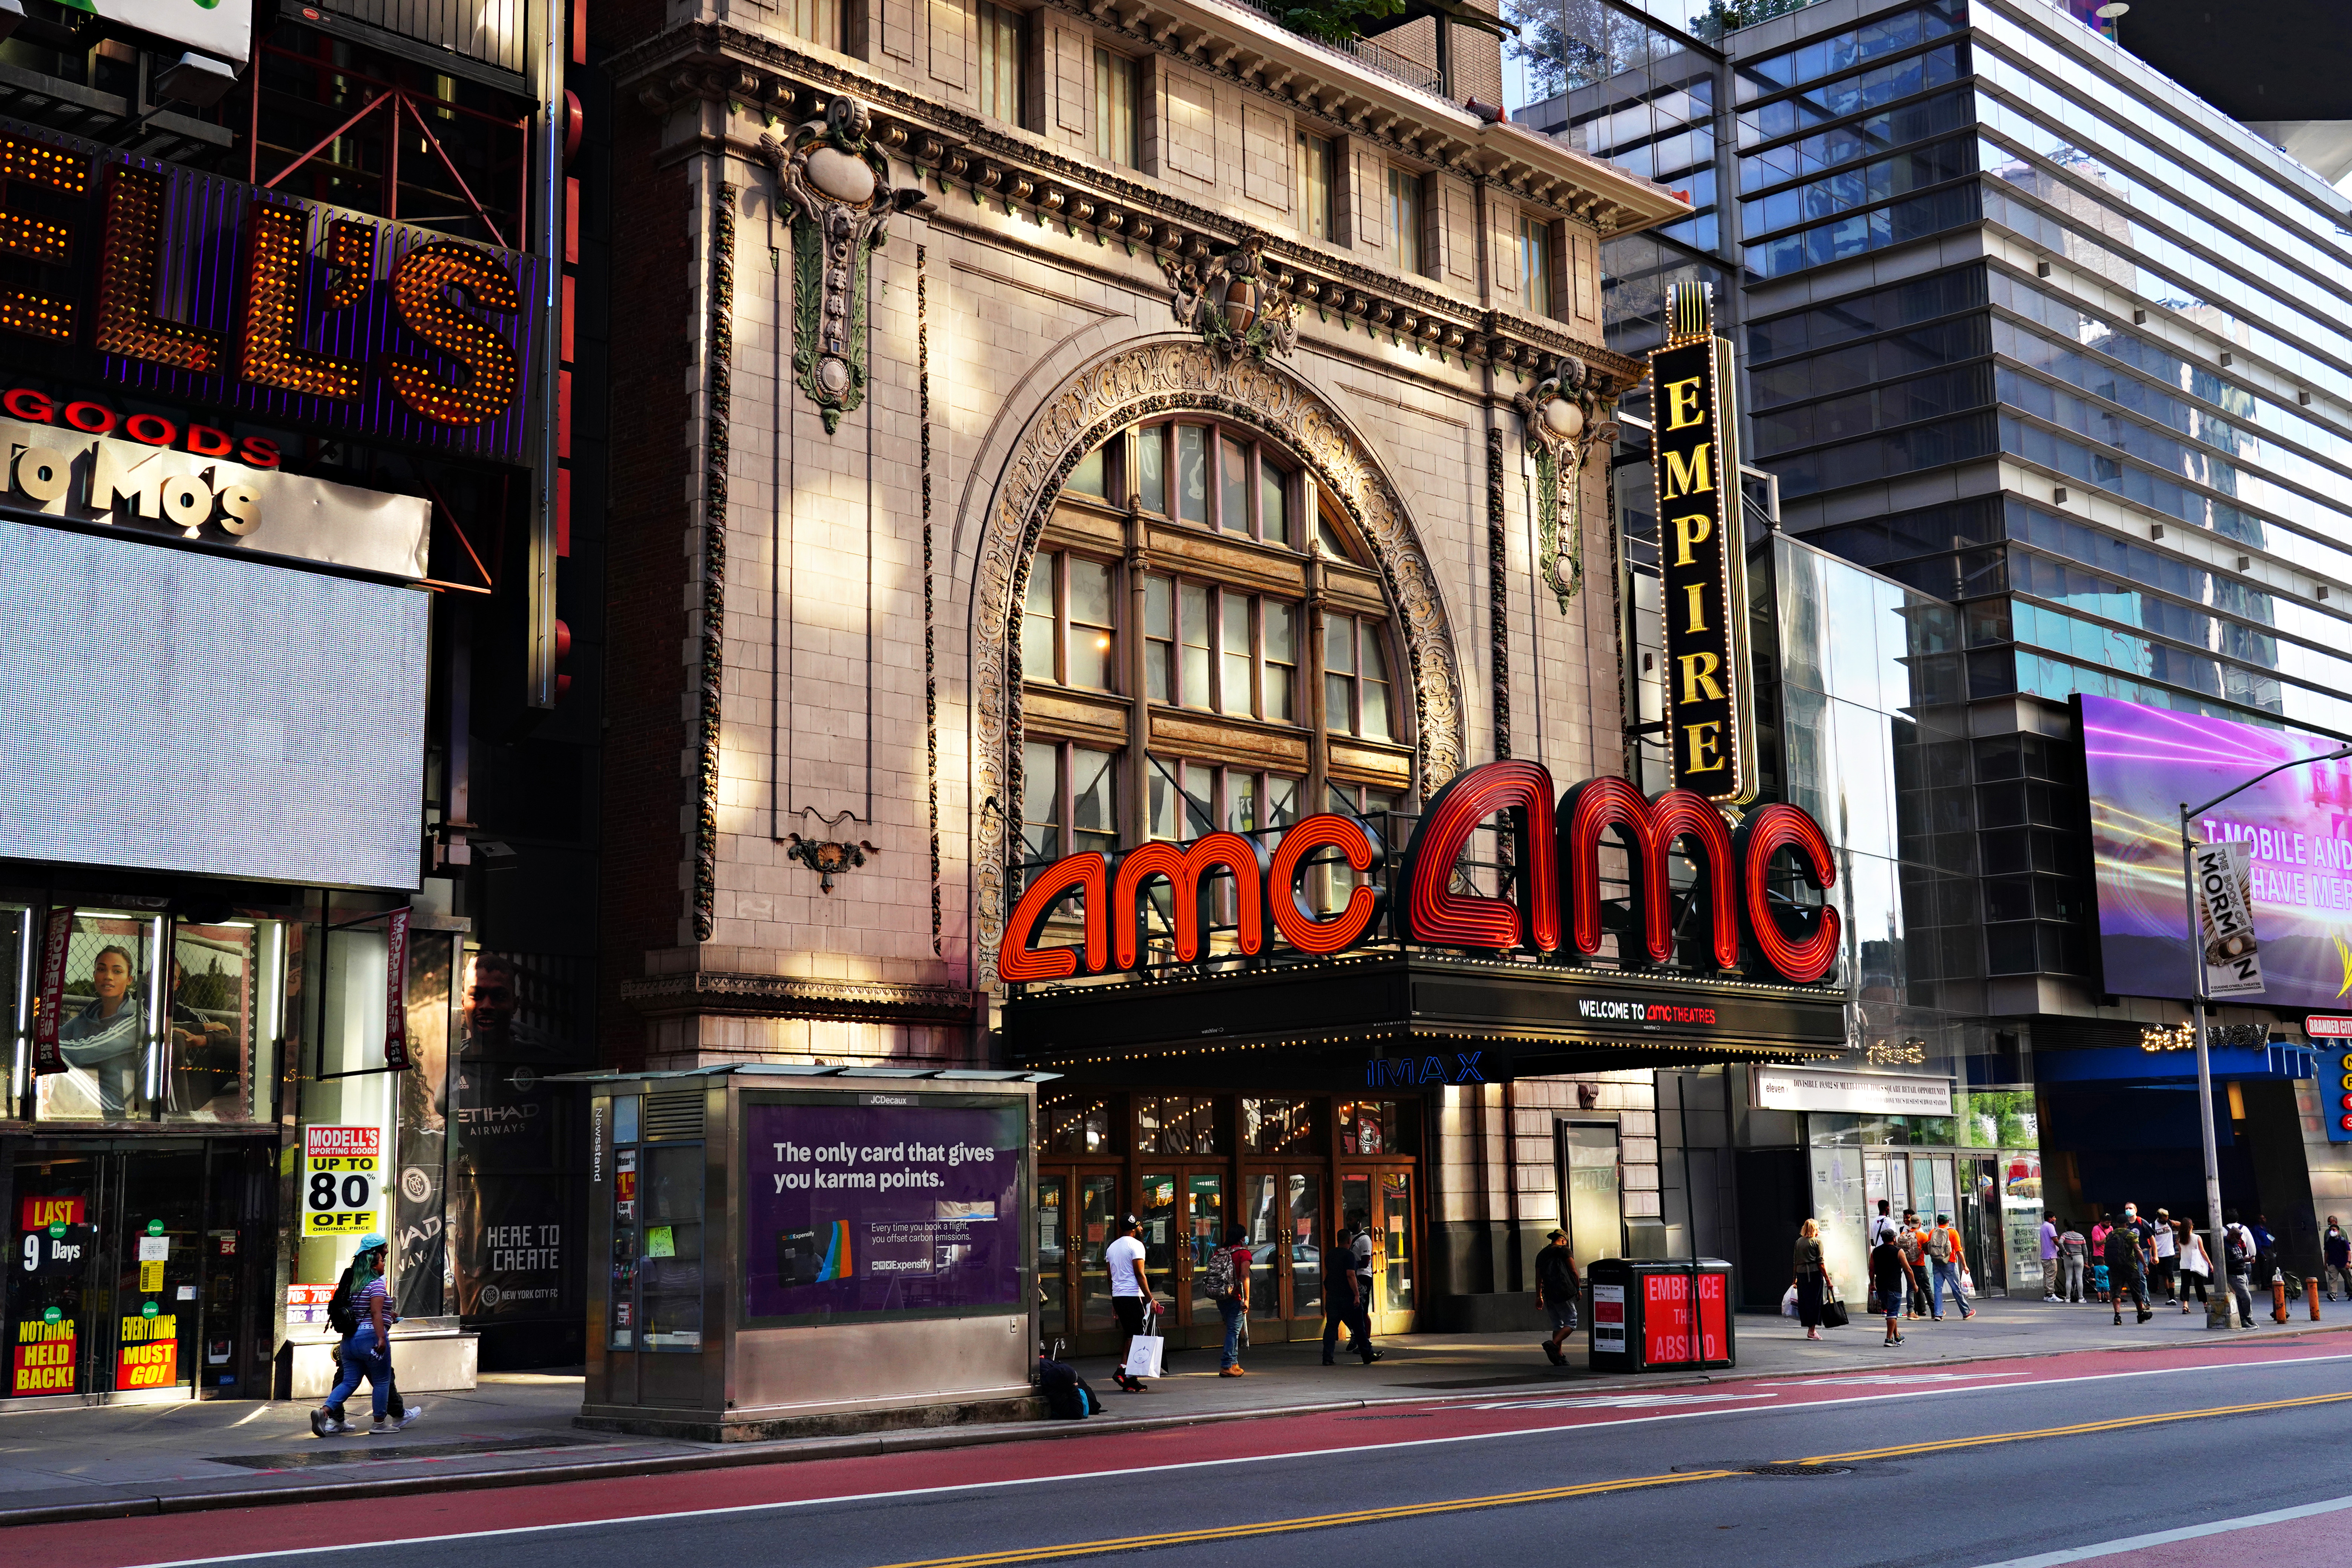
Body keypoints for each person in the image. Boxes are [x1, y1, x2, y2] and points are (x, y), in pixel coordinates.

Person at [311, 1234, 418, 1435]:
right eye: (382, 1260)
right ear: (373, 1262)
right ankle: (379, 1424)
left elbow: (366, 1310)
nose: (385, 1262)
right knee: (382, 1381)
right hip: (370, 1339)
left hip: (350, 1341)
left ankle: (324, 1413)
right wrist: (381, 1338)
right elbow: (376, 1313)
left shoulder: (354, 1286)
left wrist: (389, 1314)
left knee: (349, 1381)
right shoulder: (376, 1285)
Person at [57, 945, 144, 1117]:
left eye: (117, 972)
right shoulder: (88, 1015)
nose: (108, 977)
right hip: (83, 1099)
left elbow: (81, 1053)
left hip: (115, 1108)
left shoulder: (135, 1020)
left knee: (54, 1060)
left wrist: (41, 1045)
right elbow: (57, 1037)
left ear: (129, 980)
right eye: (101, 969)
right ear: (95, 975)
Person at [1104, 1214, 1156, 1392]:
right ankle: (1127, 1374)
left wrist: (1114, 1300)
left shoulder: (1112, 1248)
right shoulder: (1137, 1246)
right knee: (1138, 1336)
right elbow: (1140, 1275)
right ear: (1135, 1228)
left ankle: (1125, 1373)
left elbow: (1110, 1278)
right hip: (1134, 1296)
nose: (1142, 1229)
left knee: (1130, 1335)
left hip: (1119, 1296)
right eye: (1140, 1226)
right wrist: (1151, 1299)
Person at [1322, 1223, 1379, 1365]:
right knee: (1359, 1327)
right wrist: (1357, 1295)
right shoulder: (1349, 1256)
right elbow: (1351, 1275)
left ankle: (1327, 1358)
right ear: (1349, 1241)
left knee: (1331, 1327)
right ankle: (1367, 1355)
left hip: (1333, 1296)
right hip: (1347, 1296)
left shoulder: (1330, 1255)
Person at [1535, 1229, 1580, 1366]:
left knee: (1558, 1325)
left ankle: (1559, 1356)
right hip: (1563, 1292)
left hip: (1549, 1294)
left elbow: (1538, 1277)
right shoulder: (1564, 1251)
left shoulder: (1542, 1254)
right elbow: (1574, 1271)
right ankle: (1553, 1344)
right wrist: (1579, 1289)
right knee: (1571, 1322)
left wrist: (1539, 1296)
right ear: (1564, 1240)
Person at [1212, 1223, 1251, 1377]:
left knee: (1231, 1329)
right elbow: (1245, 1276)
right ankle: (1227, 1365)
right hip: (1236, 1297)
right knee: (1233, 1331)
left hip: (1221, 1296)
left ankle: (1234, 1363)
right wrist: (1247, 1299)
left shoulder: (1220, 1252)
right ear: (1242, 1238)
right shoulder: (1244, 1254)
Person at [1924, 1212, 1974, 1321]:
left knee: (1938, 1289)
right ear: (1948, 1222)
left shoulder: (1933, 1232)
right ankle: (1966, 1312)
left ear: (1938, 1222)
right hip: (1950, 1263)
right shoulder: (1952, 1232)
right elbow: (1959, 1251)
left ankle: (1938, 1314)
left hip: (1936, 1263)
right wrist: (1965, 1266)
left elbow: (1928, 1250)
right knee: (1956, 1288)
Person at [2104, 1212, 2151, 1324]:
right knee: (2136, 1291)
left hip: (2115, 1267)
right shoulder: (2131, 1235)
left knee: (2116, 1292)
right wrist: (2145, 1265)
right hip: (2130, 1266)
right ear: (2126, 1223)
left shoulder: (2110, 1235)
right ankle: (2140, 1315)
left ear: (2117, 1224)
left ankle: (2117, 1316)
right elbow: (2138, 1250)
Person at [1871, 1227, 1911, 1346]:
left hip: (1881, 1287)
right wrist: (1914, 1284)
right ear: (1894, 1238)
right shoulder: (1899, 1251)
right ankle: (1889, 1339)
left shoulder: (1875, 1252)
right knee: (1893, 1313)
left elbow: (1871, 1269)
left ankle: (1897, 1336)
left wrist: (1872, 1284)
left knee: (1891, 1312)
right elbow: (1908, 1269)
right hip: (1894, 1287)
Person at [1792, 1218, 1830, 1341]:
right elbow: (1821, 1263)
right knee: (1816, 1302)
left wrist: (1794, 1279)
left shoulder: (1799, 1242)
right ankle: (1812, 1330)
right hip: (1814, 1274)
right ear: (1815, 1230)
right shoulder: (1817, 1242)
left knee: (1805, 1302)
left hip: (1802, 1274)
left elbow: (1795, 1262)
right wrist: (1828, 1280)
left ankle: (1810, 1328)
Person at [2222, 1208, 2257, 1328]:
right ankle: (2246, 1318)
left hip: (2243, 1268)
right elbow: (2251, 1245)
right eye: (2237, 1238)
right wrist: (2252, 1256)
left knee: (2241, 1295)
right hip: (2238, 1269)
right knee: (2245, 1296)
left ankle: (2245, 1319)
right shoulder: (2244, 1229)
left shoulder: (2223, 1230)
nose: (2239, 1240)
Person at [2176, 1219, 2213, 1315]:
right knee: (2199, 1285)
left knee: (2185, 1285)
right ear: (2191, 1227)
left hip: (2184, 1264)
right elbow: (2203, 1252)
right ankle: (2205, 1305)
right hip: (2196, 1265)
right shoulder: (2197, 1238)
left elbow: (2181, 1252)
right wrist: (2209, 1263)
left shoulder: (2180, 1238)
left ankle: (2185, 1305)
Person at [2148, 1208, 2178, 1306]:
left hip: (2169, 1253)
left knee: (2170, 1273)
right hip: (2159, 1254)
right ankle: (2170, 1296)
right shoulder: (2152, 1226)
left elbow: (2182, 1225)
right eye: (2163, 1220)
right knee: (2164, 1275)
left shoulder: (2170, 1223)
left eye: (2167, 1219)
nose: (2165, 1222)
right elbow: (2150, 1241)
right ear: (2159, 1218)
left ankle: (2173, 1297)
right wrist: (2151, 1255)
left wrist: (2179, 1238)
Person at [2056, 1220, 2088, 1304]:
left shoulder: (2065, 1235)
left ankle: (2068, 1298)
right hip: (2079, 1258)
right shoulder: (2081, 1236)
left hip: (2068, 1257)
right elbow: (2085, 1250)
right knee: (2079, 1278)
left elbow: (2060, 1242)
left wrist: (2065, 1251)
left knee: (2069, 1278)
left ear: (2067, 1228)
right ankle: (2081, 1298)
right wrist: (2086, 1261)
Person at [2324, 1217, 2350, 1302]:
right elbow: (2326, 1252)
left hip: (2343, 1262)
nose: (2332, 1231)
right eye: (2331, 1229)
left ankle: (2351, 1292)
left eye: (2334, 1230)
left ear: (2338, 1231)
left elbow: (2348, 1252)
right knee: (2332, 1278)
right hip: (2332, 1262)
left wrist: (2349, 1262)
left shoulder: (2343, 1240)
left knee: (2348, 1279)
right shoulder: (2329, 1240)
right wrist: (2325, 1263)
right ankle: (2333, 1294)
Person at [2040, 1212, 2061, 1301]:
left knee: (2047, 1275)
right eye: (2054, 1217)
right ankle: (2050, 1294)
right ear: (2050, 1219)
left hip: (2044, 1255)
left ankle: (2046, 1294)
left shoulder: (2043, 1227)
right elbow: (2055, 1239)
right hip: (2050, 1256)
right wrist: (2062, 1247)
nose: (2055, 1219)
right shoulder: (2050, 1226)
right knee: (2051, 1275)